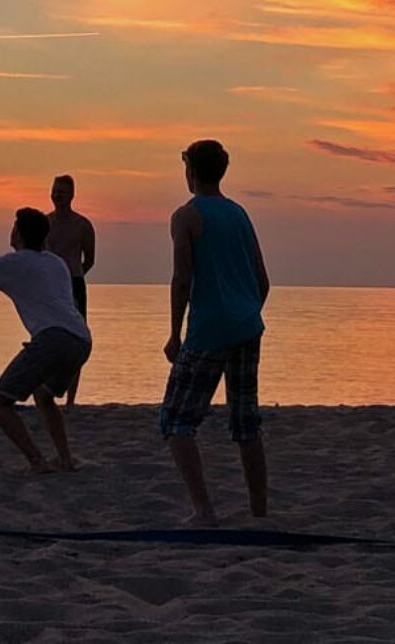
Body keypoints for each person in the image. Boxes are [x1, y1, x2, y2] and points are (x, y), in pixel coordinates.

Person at [162, 139, 270, 526]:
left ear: (190, 169)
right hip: (247, 326)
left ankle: (203, 510)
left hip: (210, 329)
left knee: (175, 420)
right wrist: (249, 313)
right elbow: (262, 279)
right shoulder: (239, 213)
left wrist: (175, 334)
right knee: (245, 422)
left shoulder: (187, 216)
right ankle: (259, 511)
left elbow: (182, 279)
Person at [0, 207, 91, 473]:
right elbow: (58, 305)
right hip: (81, 339)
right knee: (43, 394)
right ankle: (65, 459)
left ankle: (37, 462)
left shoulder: (10, 263)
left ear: (18, 232)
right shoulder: (56, 263)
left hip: (54, 339)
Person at [45, 173, 96, 407]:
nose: (57, 196)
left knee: (76, 339)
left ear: (72, 195)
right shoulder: (44, 222)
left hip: (74, 283)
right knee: (46, 337)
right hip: (49, 287)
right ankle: (47, 393)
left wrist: (73, 276)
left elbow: (89, 259)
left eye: (62, 192)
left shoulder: (82, 225)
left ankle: (71, 401)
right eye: (55, 191)